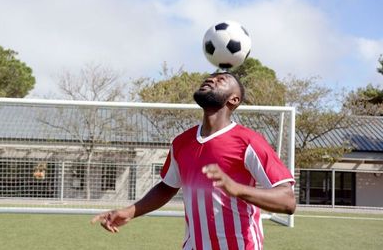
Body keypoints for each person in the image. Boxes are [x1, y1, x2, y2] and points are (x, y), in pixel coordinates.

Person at [91, 71, 296, 250]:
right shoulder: (181, 142)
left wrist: (236, 188)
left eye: (221, 80)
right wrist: (129, 212)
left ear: (233, 99)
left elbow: (287, 201)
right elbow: (167, 187)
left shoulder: (249, 141)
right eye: (210, 78)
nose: (211, 79)